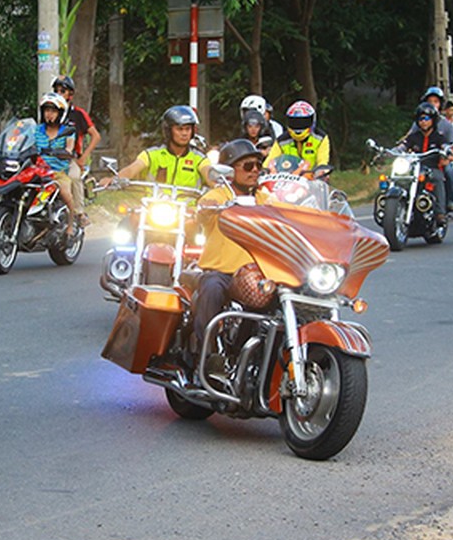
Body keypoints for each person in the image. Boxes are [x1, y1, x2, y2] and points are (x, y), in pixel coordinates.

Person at [190, 138, 267, 363]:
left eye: (258, 166)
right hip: (222, 272)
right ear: (230, 170)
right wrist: (209, 209)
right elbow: (203, 207)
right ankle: (206, 353)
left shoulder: (263, 198)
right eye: (248, 166)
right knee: (212, 289)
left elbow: (286, 208)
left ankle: (256, 354)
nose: (254, 171)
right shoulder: (219, 196)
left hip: (256, 274)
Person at [100, 105, 214, 190]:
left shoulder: (199, 159)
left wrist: (218, 190)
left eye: (188, 129)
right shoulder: (152, 155)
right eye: (180, 129)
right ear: (168, 131)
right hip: (153, 210)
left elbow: (211, 176)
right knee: (129, 220)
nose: (184, 133)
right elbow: (132, 169)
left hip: (189, 215)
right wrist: (115, 179)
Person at [51, 75, 101, 214]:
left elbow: (96, 136)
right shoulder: (48, 112)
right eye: (56, 91)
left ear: (70, 94)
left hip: (69, 158)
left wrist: (83, 158)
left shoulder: (78, 114)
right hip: (48, 157)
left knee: (73, 177)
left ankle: (79, 213)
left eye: (62, 91)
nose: (59, 94)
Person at [33, 92, 81, 233]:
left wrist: (64, 152)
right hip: (38, 170)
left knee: (65, 192)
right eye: (47, 110)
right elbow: (25, 142)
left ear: (60, 113)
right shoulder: (37, 130)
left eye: (53, 111)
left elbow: (69, 148)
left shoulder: (67, 131)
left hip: (58, 172)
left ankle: (71, 224)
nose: (49, 114)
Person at [399, 102, 449, 215]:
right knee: (399, 179)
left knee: (438, 179)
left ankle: (440, 212)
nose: (424, 122)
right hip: (414, 169)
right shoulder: (413, 137)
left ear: (433, 120)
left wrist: (447, 151)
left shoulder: (439, 137)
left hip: (432, 168)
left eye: (427, 118)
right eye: (421, 119)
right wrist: (391, 152)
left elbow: (446, 146)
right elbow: (402, 146)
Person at [262, 101, 332, 171]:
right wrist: (264, 170)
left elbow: (322, 161)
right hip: (286, 178)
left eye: (303, 121)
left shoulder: (321, 138)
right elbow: (269, 161)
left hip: (312, 179)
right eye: (295, 122)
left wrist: (322, 171)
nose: (298, 125)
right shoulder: (281, 140)